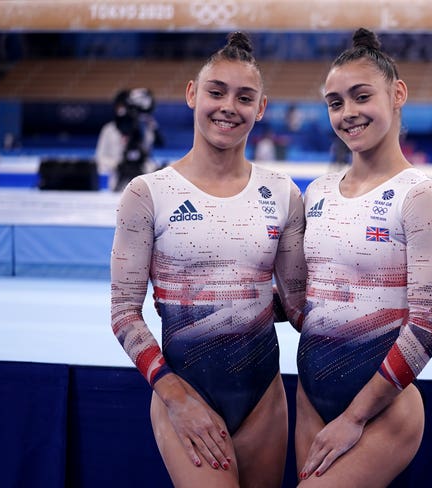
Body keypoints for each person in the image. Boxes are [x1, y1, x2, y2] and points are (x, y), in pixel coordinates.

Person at [110, 32, 307, 488]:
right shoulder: (148, 194)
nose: (228, 106)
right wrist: (174, 396)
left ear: (260, 108)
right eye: (216, 91)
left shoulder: (282, 193)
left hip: (264, 399)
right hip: (183, 389)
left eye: (244, 97)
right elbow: (123, 314)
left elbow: (298, 308)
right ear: (192, 93)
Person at [295, 28, 432, 486]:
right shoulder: (318, 192)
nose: (347, 113)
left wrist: (354, 417)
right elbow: (307, 302)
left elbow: (427, 328)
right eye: (335, 102)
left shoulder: (421, 196)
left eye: (361, 96)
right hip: (311, 394)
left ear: (397, 93)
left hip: (381, 409)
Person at [95, 87, 161, 191]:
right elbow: (100, 158)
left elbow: (152, 149)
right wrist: (116, 165)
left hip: (141, 179)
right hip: (116, 179)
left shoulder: (145, 128)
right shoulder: (109, 129)